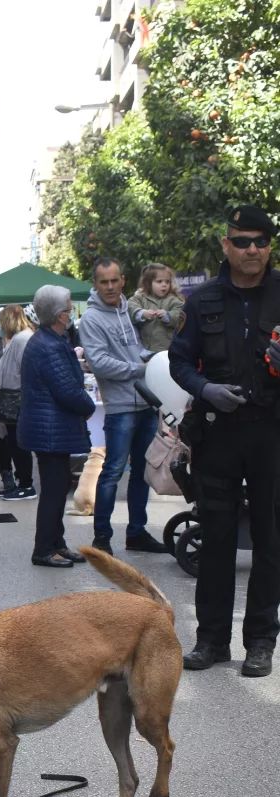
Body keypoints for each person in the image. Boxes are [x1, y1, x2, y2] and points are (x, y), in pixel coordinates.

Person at [169, 205, 280, 677]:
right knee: (215, 539)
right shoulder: (202, 300)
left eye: (260, 241)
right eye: (242, 241)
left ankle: (260, 641)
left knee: (270, 540)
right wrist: (204, 389)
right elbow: (178, 362)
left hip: (272, 433)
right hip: (217, 434)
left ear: (270, 246)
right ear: (225, 245)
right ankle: (211, 640)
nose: (251, 249)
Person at [77, 257, 167, 555]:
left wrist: (154, 359)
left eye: (115, 280)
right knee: (113, 471)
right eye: (104, 282)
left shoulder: (126, 309)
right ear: (96, 284)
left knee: (143, 471)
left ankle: (136, 533)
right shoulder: (91, 319)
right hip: (120, 406)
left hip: (145, 401)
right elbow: (100, 364)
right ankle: (101, 537)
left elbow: (134, 350)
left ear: (123, 279)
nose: (110, 286)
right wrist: (140, 368)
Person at [17, 285, 95, 569]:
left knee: (58, 486)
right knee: (54, 489)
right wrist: (88, 406)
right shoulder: (48, 345)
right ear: (59, 315)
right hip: (49, 430)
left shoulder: (51, 339)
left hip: (49, 429)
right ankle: (43, 549)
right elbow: (66, 390)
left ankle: (56, 543)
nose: (71, 313)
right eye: (68, 308)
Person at [0, 304, 36, 500]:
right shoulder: (17, 339)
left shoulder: (22, 339)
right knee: (11, 441)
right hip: (10, 396)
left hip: (15, 396)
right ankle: (22, 481)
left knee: (18, 443)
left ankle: (26, 483)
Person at [128, 263, 185, 354]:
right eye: (159, 281)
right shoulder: (140, 297)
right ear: (148, 283)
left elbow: (181, 315)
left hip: (168, 351)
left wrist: (168, 316)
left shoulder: (173, 300)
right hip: (145, 350)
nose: (164, 285)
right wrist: (142, 313)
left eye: (167, 282)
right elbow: (130, 306)